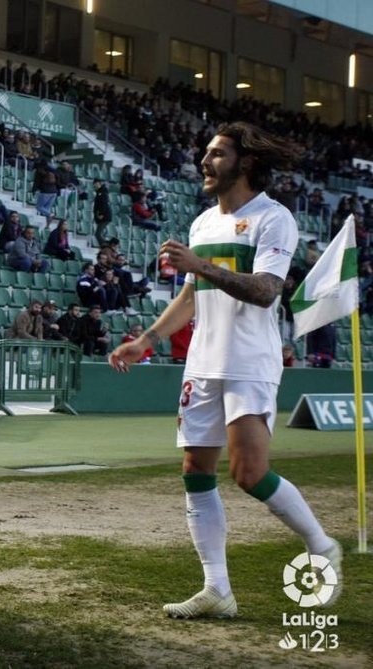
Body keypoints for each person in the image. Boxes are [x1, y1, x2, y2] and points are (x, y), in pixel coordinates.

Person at [108, 121, 342, 619]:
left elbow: (265, 290)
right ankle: (217, 590)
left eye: (217, 154)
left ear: (245, 162)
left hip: (250, 362)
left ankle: (321, 545)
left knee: (250, 474)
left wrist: (202, 265)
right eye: (206, 154)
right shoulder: (202, 223)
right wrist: (146, 341)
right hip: (203, 365)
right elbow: (193, 297)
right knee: (196, 471)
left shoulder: (272, 219)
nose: (204, 162)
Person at [92, 179, 112, 249]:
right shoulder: (99, 192)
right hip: (104, 216)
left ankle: (106, 247)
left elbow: (103, 204)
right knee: (99, 234)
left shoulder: (102, 192)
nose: (95, 185)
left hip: (105, 216)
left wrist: (101, 214)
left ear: (99, 183)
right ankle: (106, 246)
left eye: (96, 183)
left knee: (98, 234)